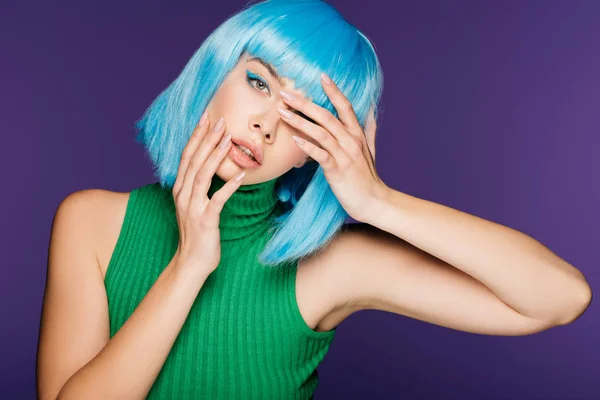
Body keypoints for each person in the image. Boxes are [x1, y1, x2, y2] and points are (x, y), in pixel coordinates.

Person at [36, 0, 592, 399]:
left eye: (302, 118)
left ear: (314, 151)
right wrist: (188, 268)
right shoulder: (91, 222)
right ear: (215, 70)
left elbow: (559, 298)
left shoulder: (330, 266)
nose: (266, 124)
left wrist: (379, 203)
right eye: (259, 82)